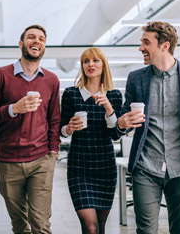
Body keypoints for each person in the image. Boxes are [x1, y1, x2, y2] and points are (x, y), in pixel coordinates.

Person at [116, 21, 180, 234]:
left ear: (164, 45)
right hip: (146, 166)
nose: (140, 48)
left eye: (146, 42)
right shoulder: (136, 78)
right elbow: (125, 120)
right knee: (145, 230)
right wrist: (121, 124)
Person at [0, 24, 61, 234]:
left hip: (41, 160)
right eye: (31, 37)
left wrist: (53, 151)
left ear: (44, 47)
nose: (36, 41)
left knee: (40, 223)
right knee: (19, 225)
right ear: (21, 44)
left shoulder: (51, 80)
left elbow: (54, 119)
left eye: (41, 39)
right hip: (8, 162)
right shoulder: (1, 75)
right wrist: (13, 109)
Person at [60, 47, 122, 234]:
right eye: (86, 61)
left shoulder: (114, 95)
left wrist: (108, 107)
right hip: (79, 167)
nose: (90, 65)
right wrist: (69, 128)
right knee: (90, 226)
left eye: (95, 61)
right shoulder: (71, 94)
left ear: (103, 66)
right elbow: (61, 131)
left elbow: (116, 134)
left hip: (105, 167)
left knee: (101, 226)